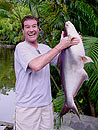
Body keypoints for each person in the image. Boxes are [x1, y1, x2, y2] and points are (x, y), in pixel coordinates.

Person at [14, 15, 80, 130]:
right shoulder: (21, 48)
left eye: (34, 26)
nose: (31, 30)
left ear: (38, 29)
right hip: (27, 108)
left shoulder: (45, 48)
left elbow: (62, 62)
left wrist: (71, 46)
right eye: (27, 27)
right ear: (23, 31)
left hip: (47, 105)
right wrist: (60, 46)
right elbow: (36, 65)